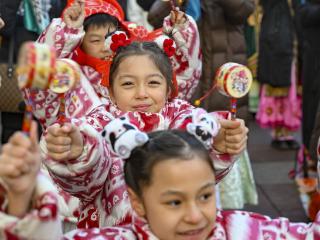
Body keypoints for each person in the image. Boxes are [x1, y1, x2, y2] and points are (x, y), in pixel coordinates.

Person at [41, 41, 248, 228]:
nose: (141, 93)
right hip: (114, 231)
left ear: (169, 89)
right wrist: (79, 152)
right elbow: (85, 183)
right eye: (128, 84)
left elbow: (201, 175)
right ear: (111, 92)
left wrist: (218, 148)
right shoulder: (98, 124)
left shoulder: (187, 120)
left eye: (153, 83)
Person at [1, 125, 320, 239]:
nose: (195, 215)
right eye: (174, 202)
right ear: (137, 201)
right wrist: (20, 196)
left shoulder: (246, 233)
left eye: (206, 196)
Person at [23, 0, 201, 129]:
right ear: (79, 41)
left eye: (111, 37)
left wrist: (182, 33)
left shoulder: (138, 63)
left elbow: (184, 76)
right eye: (94, 40)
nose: (104, 46)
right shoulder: (74, 76)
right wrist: (66, 31)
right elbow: (41, 90)